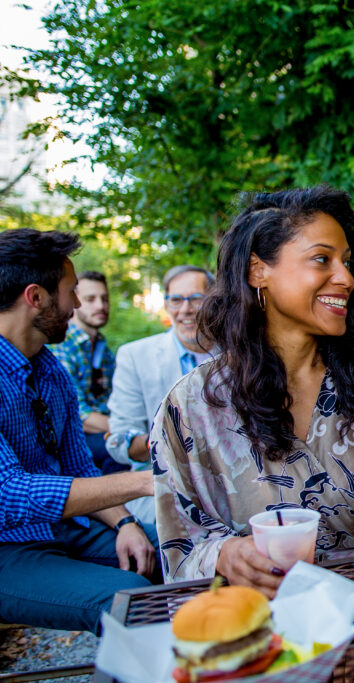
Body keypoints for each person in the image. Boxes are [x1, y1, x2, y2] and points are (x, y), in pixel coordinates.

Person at [152, 187, 354, 595]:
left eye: (347, 262)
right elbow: (181, 545)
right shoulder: (194, 406)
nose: (346, 278)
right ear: (258, 271)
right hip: (263, 632)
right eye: (321, 259)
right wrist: (225, 555)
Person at [0, 229, 156, 634]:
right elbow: (8, 494)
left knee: (179, 551)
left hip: (66, 529)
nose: (74, 305)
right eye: (71, 292)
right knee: (132, 598)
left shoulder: (51, 371)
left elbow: (79, 469)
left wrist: (125, 524)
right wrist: (142, 483)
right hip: (8, 549)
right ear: (35, 297)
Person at [105, 265, 216, 523]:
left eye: (196, 299)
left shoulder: (240, 353)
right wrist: (167, 440)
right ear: (166, 304)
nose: (185, 309)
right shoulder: (135, 356)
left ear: (214, 302)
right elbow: (119, 443)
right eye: (176, 300)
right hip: (163, 491)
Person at [49, 270, 125, 474]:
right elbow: (78, 416)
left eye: (104, 299)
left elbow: (114, 400)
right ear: (73, 301)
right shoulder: (62, 346)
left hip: (104, 429)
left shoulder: (103, 348)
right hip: (72, 439)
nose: (100, 306)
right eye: (90, 299)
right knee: (118, 450)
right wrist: (129, 431)